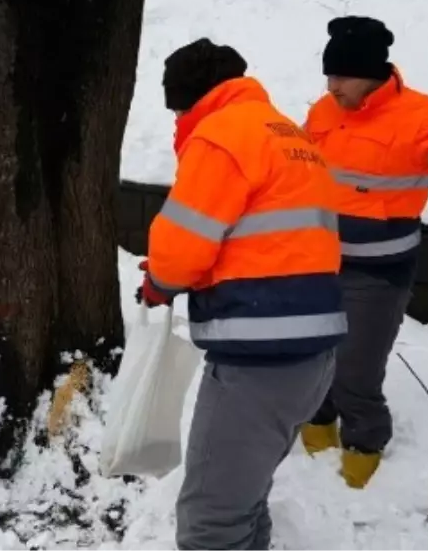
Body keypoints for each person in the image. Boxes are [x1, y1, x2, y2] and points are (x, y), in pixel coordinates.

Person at [137, 38, 347, 551]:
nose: (177, 121)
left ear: (191, 100)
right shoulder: (284, 134)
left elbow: (182, 245)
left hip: (260, 363)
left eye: (178, 109)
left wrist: (160, 282)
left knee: (212, 520)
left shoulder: (221, 136)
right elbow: (267, 238)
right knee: (245, 501)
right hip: (310, 357)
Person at [298, 16, 428, 488]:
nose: (332, 87)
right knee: (312, 352)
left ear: (372, 74)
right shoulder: (323, 111)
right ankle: (316, 423)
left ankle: (365, 442)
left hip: (378, 271)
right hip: (317, 260)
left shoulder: (422, 118)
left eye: (342, 77)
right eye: (328, 76)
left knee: (355, 366)